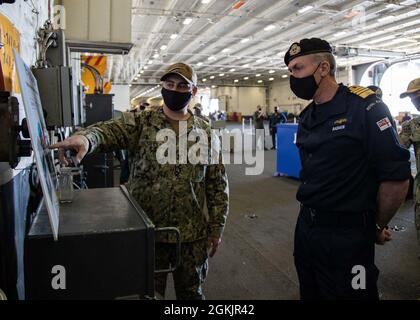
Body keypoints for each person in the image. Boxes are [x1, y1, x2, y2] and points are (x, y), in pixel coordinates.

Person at [50, 62, 229, 300]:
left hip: (190, 238)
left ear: (193, 91)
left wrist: (217, 228)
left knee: (192, 295)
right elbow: (107, 131)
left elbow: (217, 184)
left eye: (182, 85)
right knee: (146, 294)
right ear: (162, 87)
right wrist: (86, 139)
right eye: (169, 84)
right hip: (147, 233)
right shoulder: (140, 123)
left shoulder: (206, 132)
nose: (175, 90)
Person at [284, 38, 410, 300]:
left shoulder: (366, 108)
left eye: (297, 68)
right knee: (311, 292)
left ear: (323, 68)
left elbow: (396, 178)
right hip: (307, 228)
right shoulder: (308, 116)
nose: (292, 77)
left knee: (356, 295)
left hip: (349, 236)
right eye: (290, 71)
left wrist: (377, 224)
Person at [398, 77, 420, 252]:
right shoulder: (411, 126)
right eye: (412, 98)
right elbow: (396, 149)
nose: (414, 101)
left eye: (417, 96)